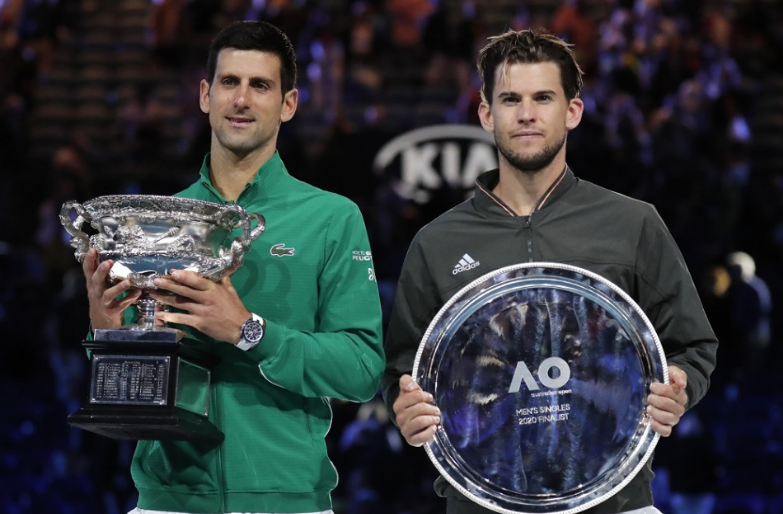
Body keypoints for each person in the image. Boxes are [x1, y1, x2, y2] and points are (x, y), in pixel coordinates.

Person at [382, 28, 718, 514]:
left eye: (543, 97)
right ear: (485, 114)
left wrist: (679, 387)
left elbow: (694, 346)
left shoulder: (632, 223)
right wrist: (405, 407)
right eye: (510, 99)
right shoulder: (437, 243)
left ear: (572, 111)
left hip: (616, 501)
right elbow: (405, 371)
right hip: (483, 502)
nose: (525, 114)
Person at [81, 20, 385, 514]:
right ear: (205, 95)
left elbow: (360, 369)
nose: (241, 99)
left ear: (288, 103)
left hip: (287, 500)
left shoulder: (331, 217)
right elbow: (132, 390)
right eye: (229, 82)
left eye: (259, 85)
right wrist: (109, 335)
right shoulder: (152, 224)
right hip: (167, 500)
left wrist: (248, 331)